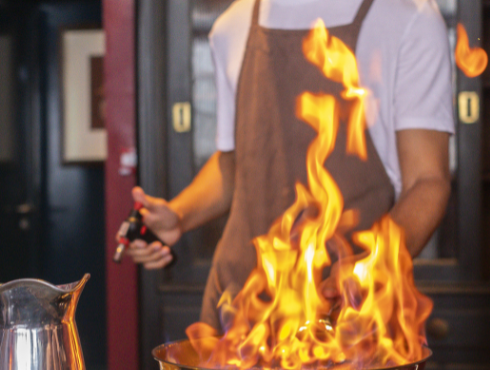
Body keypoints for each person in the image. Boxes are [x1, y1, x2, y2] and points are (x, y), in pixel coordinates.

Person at [120, 0, 453, 328]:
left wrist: (375, 264)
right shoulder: (231, 27)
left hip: (345, 314)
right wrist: (179, 215)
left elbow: (426, 181)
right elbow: (237, 161)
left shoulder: (409, 18)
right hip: (239, 310)